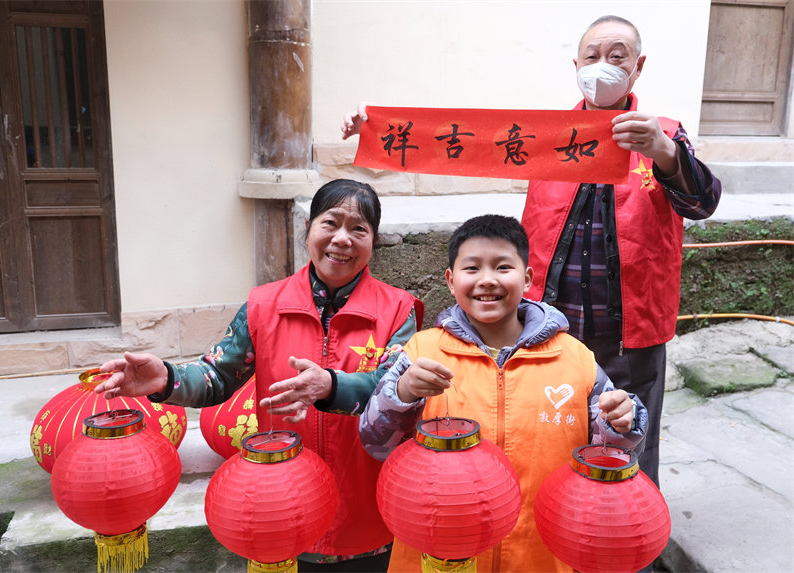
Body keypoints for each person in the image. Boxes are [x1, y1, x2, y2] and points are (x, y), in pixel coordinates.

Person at [341, 15, 721, 489]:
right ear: (576, 64)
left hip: (629, 336)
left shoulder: (664, 134)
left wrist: (665, 151)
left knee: (629, 446)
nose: (602, 65)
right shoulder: (547, 136)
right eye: (592, 56)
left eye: (617, 55)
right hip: (548, 336)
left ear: (638, 66)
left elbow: (702, 201)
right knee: (547, 445)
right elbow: (466, 141)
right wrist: (379, 131)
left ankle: (629, 547)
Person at [95, 179, 424, 572]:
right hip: (282, 505)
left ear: (373, 241)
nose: (342, 239)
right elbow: (218, 375)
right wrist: (165, 378)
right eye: (330, 223)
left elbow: (394, 389)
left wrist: (330, 385)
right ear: (308, 230)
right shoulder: (263, 305)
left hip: (366, 512)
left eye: (359, 229)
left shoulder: (399, 310)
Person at [358, 214, 647, 573]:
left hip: (540, 553)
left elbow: (610, 452)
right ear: (450, 280)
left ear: (527, 278)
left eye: (502, 266)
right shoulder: (422, 352)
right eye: (472, 267)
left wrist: (621, 422)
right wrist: (401, 394)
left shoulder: (575, 358)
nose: (487, 280)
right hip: (439, 552)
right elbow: (376, 443)